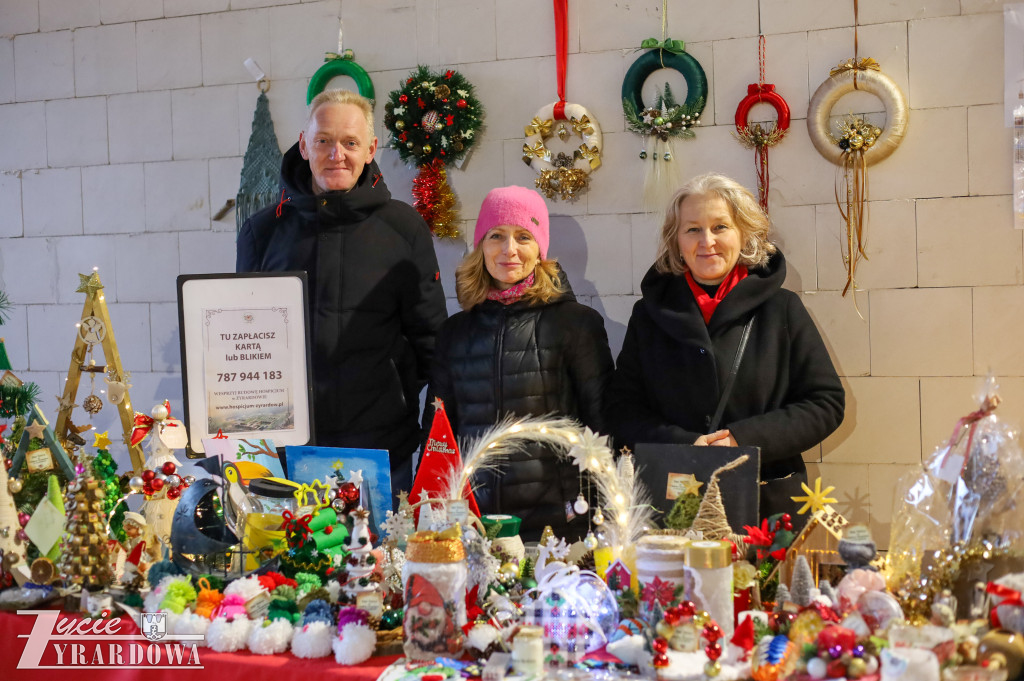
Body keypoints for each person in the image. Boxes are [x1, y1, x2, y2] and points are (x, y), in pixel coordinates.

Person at [237, 89, 447, 496]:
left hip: (378, 448)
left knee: (376, 560)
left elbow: (431, 341)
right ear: (303, 145)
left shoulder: (404, 230)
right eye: (324, 141)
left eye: (350, 143)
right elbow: (243, 336)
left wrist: (408, 409)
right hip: (281, 453)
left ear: (370, 149)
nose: (337, 154)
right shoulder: (262, 232)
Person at [606, 173, 844, 524]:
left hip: (768, 506)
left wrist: (742, 439)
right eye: (692, 229)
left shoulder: (783, 309)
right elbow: (621, 409)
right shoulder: (649, 315)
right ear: (676, 240)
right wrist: (684, 444)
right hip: (677, 501)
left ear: (743, 234)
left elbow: (825, 403)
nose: (707, 241)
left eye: (720, 227)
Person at [427, 186, 614, 541]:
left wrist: (596, 512)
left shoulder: (576, 324)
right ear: (481, 246)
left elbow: (602, 425)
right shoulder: (455, 333)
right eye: (496, 236)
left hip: (558, 527)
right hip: (474, 523)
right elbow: (438, 435)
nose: (509, 250)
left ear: (540, 249)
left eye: (523, 237)